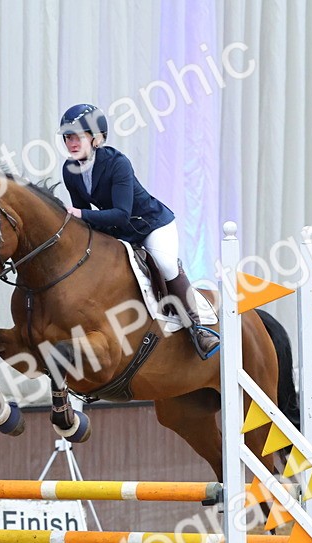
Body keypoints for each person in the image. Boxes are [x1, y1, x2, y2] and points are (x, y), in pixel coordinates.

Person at [58, 103, 220, 360]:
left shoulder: (117, 163)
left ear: (96, 138)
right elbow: (84, 215)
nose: (71, 143)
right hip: (118, 232)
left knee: (166, 264)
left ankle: (198, 328)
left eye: (77, 136)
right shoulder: (70, 170)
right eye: (68, 137)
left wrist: (80, 215)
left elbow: (121, 214)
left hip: (151, 225)